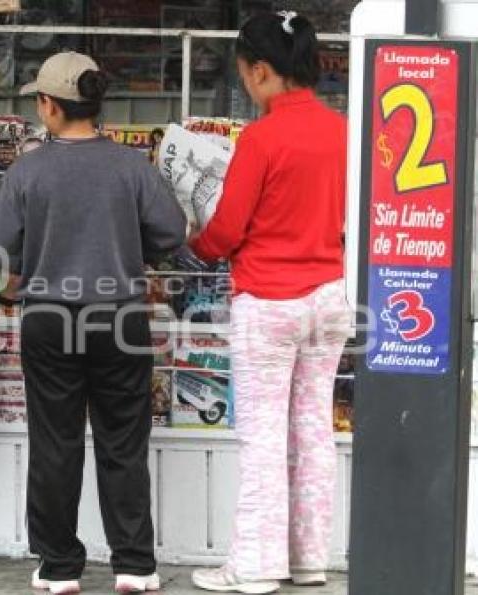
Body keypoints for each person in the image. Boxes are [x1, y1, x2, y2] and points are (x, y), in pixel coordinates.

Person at [0, 52, 186, 594]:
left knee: (55, 440)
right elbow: (171, 232)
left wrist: (14, 287)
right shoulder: (130, 167)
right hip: (119, 316)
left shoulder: (27, 172)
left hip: (49, 316)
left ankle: (59, 568)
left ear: (50, 106)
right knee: (123, 439)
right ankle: (134, 565)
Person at [188, 11, 351, 594]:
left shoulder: (260, 137)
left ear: (260, 71)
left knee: (262, 436)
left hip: (269, 300)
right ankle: (309, 560)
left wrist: (195, 240)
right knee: (313, 431)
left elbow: (228, 230)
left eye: (244, 77)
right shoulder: (342, 131)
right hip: (330, 297)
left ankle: (254, 567)